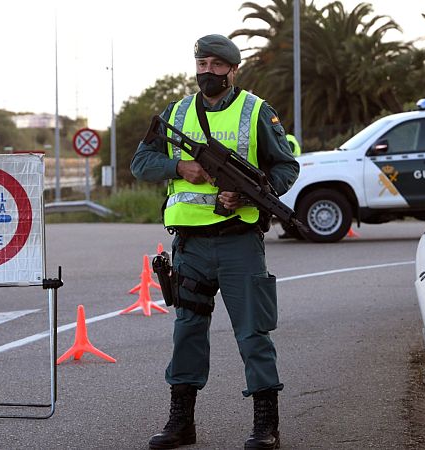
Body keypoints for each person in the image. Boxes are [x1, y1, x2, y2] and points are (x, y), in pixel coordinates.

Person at [130, 34, 299, 449]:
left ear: (233, 70)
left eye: (216, 65)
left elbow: (286, 167)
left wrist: (248, 194)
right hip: (191, 246)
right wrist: (179, 167)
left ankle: (266, 426)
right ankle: (181, 423)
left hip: (239, 241)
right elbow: (141, 162)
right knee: (187, 332)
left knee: (253, 334)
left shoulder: (256, 111)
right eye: (202, 64)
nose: (207, 72)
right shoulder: (176, 112)